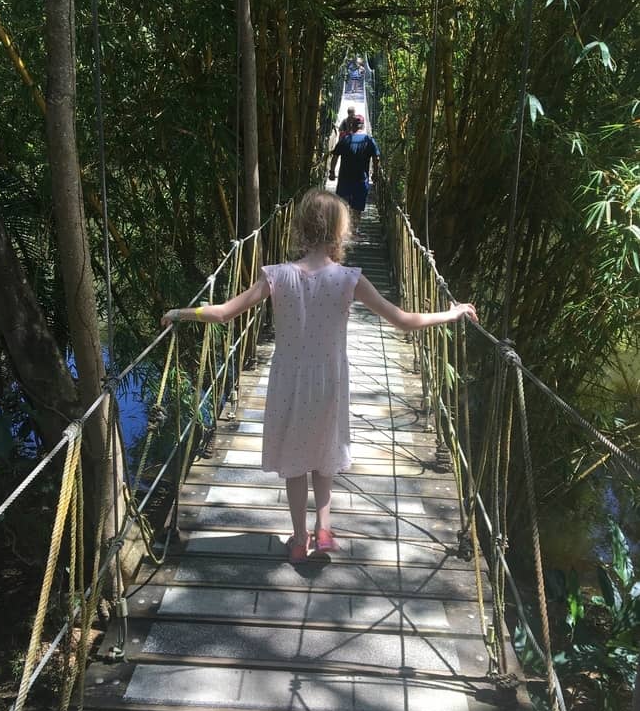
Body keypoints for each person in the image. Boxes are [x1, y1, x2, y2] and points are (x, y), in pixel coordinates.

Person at [161, 189, 477, 562]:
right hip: (329, 382)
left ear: (300, 229)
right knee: (324, 457)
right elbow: (403, 321)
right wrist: (451, 313)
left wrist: (180, 314)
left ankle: (299, 540)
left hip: (288, 384)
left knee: (295, 463)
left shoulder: (276, 276)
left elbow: (225, 313)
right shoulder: (349, 279)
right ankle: (324, 531)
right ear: (340, 233)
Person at [328, 114, 379, 230]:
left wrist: (331, 171)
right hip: (361, 180)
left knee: (343, 205)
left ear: (352, 125)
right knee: (357, 208)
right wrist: (375, 174)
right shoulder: (369, 140)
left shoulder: (345, 139)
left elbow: (335, 156)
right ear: (363, 126)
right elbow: (377, 158)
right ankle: (354, 231)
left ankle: (342, 230)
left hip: (344, 179)